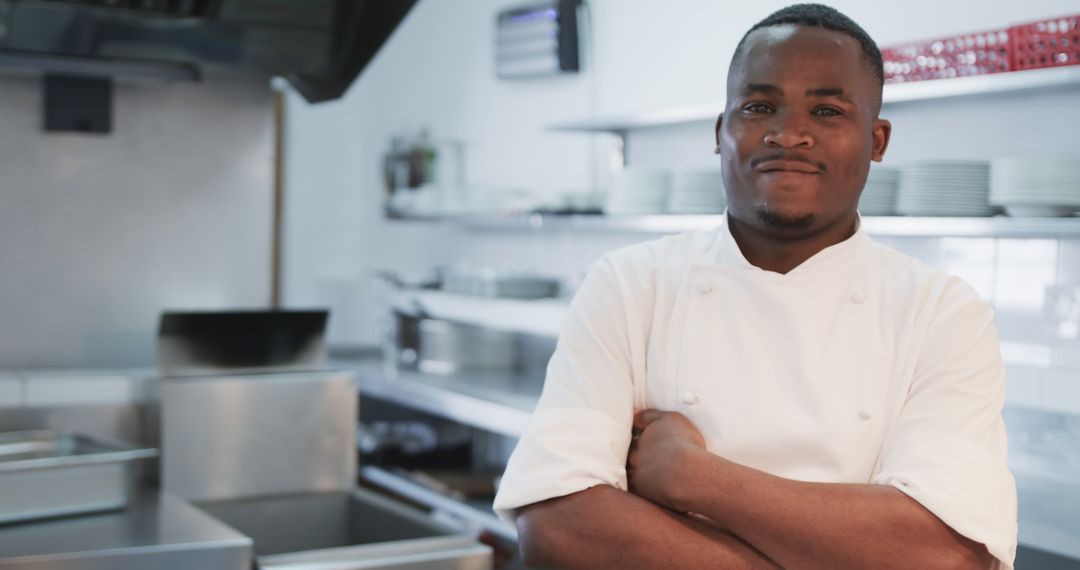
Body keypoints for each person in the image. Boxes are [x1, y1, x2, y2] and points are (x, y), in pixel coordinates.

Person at [492, 3, 1017, 569]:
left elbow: (944, 556)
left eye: (827, 110)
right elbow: (557, 528)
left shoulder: (941, 312)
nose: (789, 134)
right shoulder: (629, 286)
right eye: (759, 106)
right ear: (721, 132)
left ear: (877, 140)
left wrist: (693, 476)